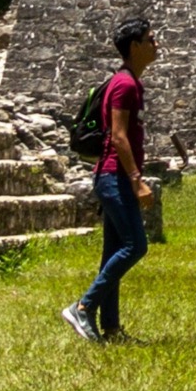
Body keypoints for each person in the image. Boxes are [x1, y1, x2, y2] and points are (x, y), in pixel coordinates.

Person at [64, 18, 157, 342]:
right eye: (150, 39)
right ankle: (83, 307)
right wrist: (137, 180)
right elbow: (118, 137)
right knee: (135, 246)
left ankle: (112, 328)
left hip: (113, 176)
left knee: (113, 254)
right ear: (135, 46)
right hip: (114, 177)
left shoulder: (129, 82)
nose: (155, 44)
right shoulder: (125, 84)